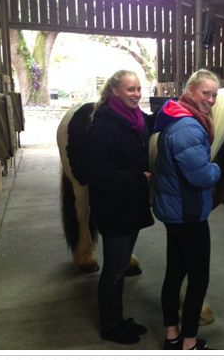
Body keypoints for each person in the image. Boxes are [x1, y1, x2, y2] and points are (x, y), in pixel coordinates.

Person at [85, 70, 155, 344]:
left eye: (139, 89)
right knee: (113, 270)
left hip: (131, 206)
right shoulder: (103, 126)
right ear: (114, 91)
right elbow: (98, 175)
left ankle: (119, 317)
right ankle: (110, 326)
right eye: (130, 89)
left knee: (122, 265)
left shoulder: (135, 120)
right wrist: (137, 178)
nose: (137, 94)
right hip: (114, 208)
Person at [153, 69, 221, 350]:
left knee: (175, 273)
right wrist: (218, 166)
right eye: (206, 93)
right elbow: (201, 175)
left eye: (214, 95)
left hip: (176, 212)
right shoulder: (189, 127)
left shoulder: (177, 117)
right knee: (198, 278)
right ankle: (189, 342)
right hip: (188, 213)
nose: (211, 100)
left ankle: (172, 336)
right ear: (190, 90)